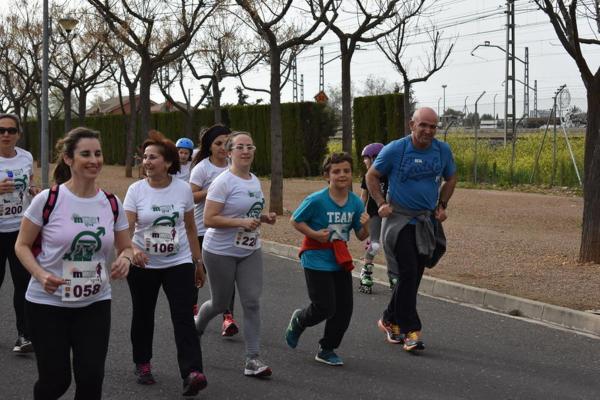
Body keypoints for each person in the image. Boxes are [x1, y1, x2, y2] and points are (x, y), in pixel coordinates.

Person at [14, 127, 133, 400]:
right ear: (68, 159)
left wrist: (125, 259)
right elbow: (21, 245)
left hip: (95, 302)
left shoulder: (112, 203)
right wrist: (41, 274)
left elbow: (126, 246)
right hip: (48, 304)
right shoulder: (48, 200)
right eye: (86, 154)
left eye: (98, 153)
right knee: (55, 381)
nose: (94, 160)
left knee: (91, 380)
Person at [366, 107, 457, 352]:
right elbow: (372, 175)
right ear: (411, 125)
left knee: (414, 275)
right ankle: (410, 330)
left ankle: (388, 318)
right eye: (423, 125)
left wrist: (442, 205)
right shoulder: (396, 149)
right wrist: (381, 203)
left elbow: (451, 178)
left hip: (425, 222)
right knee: (407, 272)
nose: (428, 130)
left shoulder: (442, 151)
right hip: (400, 221)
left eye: (433, 126)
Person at [123, 130, 207, 396]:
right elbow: (125, 230)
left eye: (153, 157)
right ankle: (143, 363)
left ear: (168, 162)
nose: (147, 162)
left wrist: (198, 261)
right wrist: (133, 250)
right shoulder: (136, 190)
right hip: (143, 264)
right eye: (145, 157)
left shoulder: (182, 189)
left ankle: (192, 372)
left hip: (178, 261)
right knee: (144, 314)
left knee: (183, 316)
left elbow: (191, 228)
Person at [195, 131, 277, 377]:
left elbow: (249, 211)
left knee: (251, 302)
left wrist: (262, 218)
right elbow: (209, 219)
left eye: (249, 147)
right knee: (220, 303)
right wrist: (240, 222)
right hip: (220, 251)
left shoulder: (254, 180)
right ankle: (195, 329)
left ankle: (252, 360)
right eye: (239, 147)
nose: (245, 151)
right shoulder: (223, 181)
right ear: (229, 152)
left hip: (250, 249)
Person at [285, 152, 370, 366]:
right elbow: (295, 220)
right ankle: (299, 320)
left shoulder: (355, 203)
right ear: (327, 176)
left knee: (344, 309)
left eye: (346, 171)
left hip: (339, 258)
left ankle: (327, 348)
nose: (342, 175)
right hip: (315, 257)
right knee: (324, 306)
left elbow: (360, 235)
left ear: (352, 174)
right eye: (336, 171)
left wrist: (367, 224)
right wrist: (314, 234)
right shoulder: (316, 200)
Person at [189, 124, 239, 336]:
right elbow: (190, 196)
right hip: (202, 229)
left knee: (228, 277)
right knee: (197, 274)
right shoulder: (202, 168)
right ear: (209, 146)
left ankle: (228, 318)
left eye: (226, 143)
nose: (222, 147)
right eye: (218, 143)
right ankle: (193, 310)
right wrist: (212, 190)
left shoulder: (234, 165)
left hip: (226, 229)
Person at [0, 113, 40, 354]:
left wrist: (34, 188)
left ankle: (25, 335)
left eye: (11, 130)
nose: (5, 134)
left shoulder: (26, 157)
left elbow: (31, 181)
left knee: (23, 284)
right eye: (1, 130)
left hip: (20, 230)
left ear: (18, 134)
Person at [357, 142, 388, 294]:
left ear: (375, 157)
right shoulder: (367, 176)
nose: (364, 161)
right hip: (374, 213)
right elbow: (363, 197)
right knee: (375, 245)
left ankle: (394, 276)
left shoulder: (389, 175)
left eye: (366, 158)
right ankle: (366, 272)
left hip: (390, 214)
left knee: (392, 246)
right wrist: (357, 211)